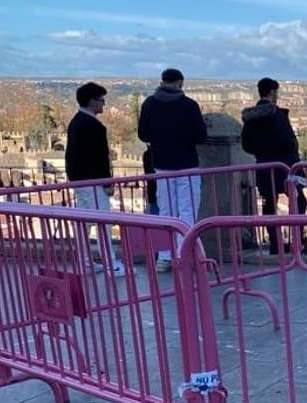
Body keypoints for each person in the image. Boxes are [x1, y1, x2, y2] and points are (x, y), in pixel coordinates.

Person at [137, 68, 207, 271]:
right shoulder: (189, 105)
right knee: (188, 209)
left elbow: (143, 134)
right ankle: (183, 253)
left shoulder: (150, 104)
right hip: (187, 164)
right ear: (180, 82)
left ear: (162, 81)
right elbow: (200, 135)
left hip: (161, 164)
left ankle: (165, 256)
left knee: (166, 211)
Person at [240, 77, 307, 254]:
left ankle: (276, 244)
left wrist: (263, 153)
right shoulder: (277, 115)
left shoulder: (250, 117)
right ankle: (298, 240)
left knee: (269, 206)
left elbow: (246, 145)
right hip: (285, 167)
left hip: (264, 168)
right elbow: (288, 141)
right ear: (273, 92)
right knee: (299, 202)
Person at [64, 81, 123, 273]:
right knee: (102, 221)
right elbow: (98, 157)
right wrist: (107, 182)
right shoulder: (93, 126)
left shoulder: (76, 122)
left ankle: (85, 263)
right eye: (101, 100)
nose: (103, 104)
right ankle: (110, 264)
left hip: (80, 180)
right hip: (93, 181)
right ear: (91, 101)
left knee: (84, 222)